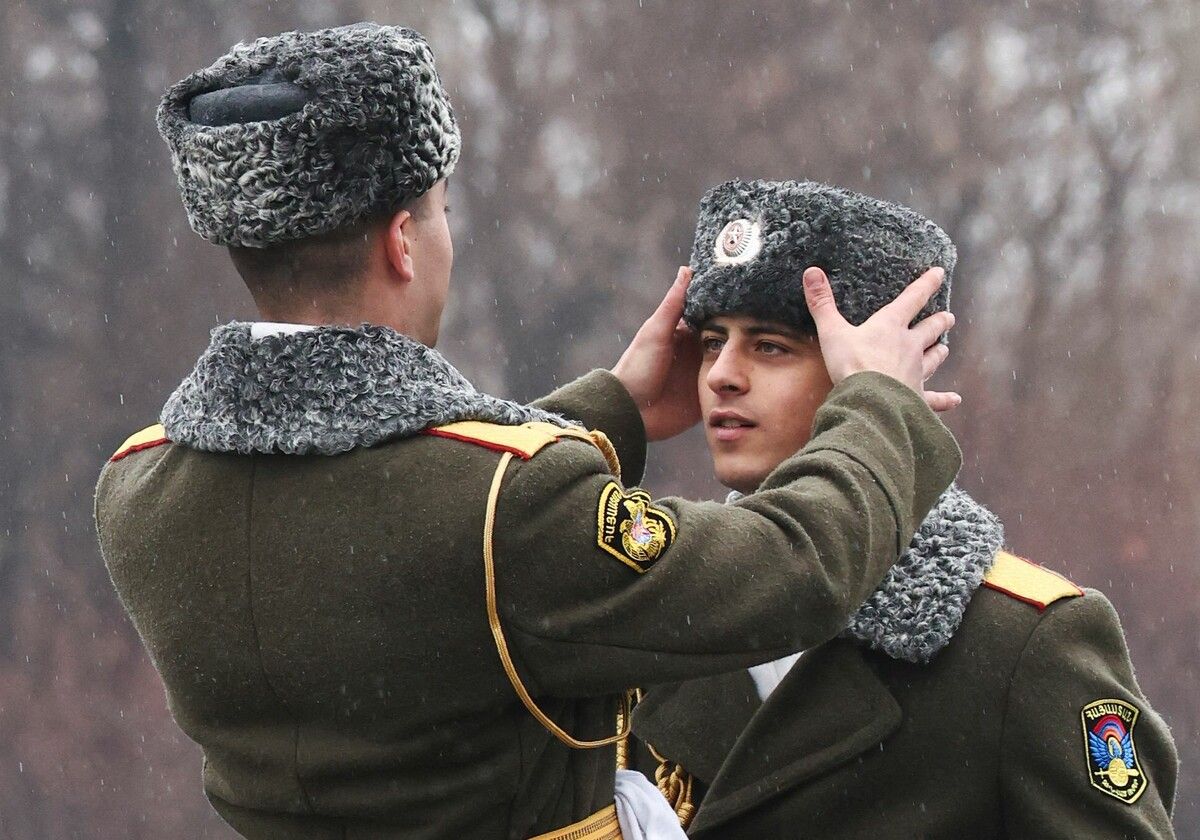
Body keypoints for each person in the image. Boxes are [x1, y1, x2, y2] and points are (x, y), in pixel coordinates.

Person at [95, 25, 964, 840]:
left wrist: (611, 408)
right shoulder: (505, 510)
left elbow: (401, 528)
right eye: (439, 210)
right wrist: (878, 405)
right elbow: (791, 573)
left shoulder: (139, 489)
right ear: (403, 241)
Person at [629, 179, 1180, 839]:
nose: (721, 374)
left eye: (771, 346)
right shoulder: (656, 609)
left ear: (881, 372)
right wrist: (610, 423)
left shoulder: (1022, 644)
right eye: (713, 341)